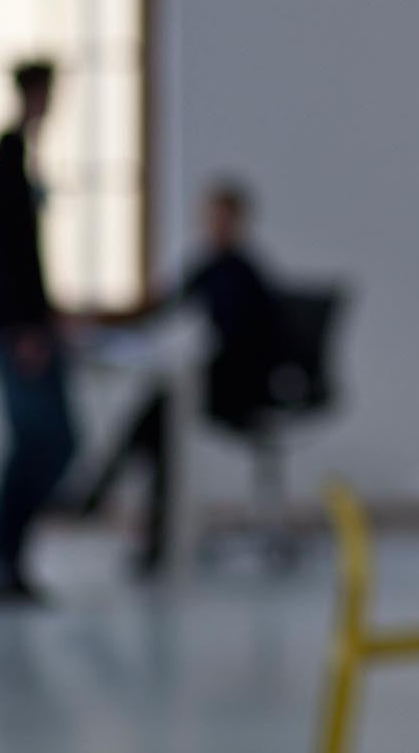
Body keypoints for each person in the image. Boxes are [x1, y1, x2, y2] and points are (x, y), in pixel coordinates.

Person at [76, 177, 280, 574]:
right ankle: (141, 529)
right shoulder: (208, 267)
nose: (215, 227)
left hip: (242, 388)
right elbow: (163, 306)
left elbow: (246, 346)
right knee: (157, 429)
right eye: (210, 219)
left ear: (238, 223)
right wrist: (103, 322)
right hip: (214, 380)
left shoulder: (244, 274)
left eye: (223, 219)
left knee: (157, 421)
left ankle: (105, 494)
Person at [0, 58, 77, 607]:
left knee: (42, 444)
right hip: (19, 329)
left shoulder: (19, 157)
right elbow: (6, 256)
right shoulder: (6, 161)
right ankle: (1, 560)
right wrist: (26, 327)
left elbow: (28, 258)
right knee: (45, 443)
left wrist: (48, 314)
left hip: (28, 323)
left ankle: (6, 561)